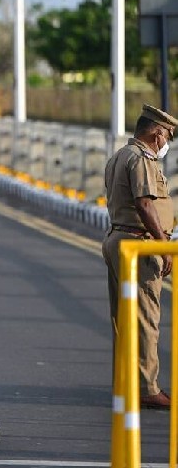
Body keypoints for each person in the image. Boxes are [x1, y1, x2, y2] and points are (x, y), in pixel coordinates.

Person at [102, 104, 178, 410]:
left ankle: (127, 379)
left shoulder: (120, 155)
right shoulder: (141, 158)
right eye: (168, 134)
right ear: (156, 131)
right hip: (137, 244)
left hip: (118, 239)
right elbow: (145, 204)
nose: (167, 141)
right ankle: (147, 388)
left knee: (124, 317)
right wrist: (161, 244)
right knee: (146, 318)